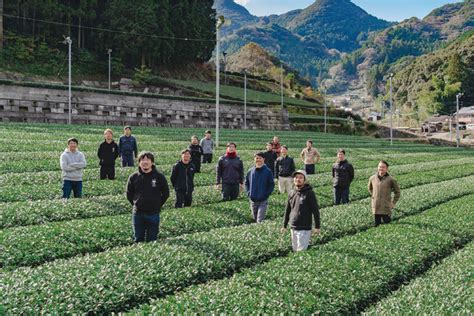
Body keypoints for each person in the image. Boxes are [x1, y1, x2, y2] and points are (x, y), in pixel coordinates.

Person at [126, 151, 169, 242]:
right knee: (138, 239)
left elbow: (166, 193)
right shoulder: (133, 177)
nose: (145, 162)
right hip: (138, 214)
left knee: (152, 240)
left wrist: (157, 204)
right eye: (142, 160)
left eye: (148, 159)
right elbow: (129, 194)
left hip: (153, 213)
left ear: (152, 162)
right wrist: (136, 204)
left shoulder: (159, 177)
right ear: (139, 162)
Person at [281, 170, 320, 251]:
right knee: (295, 251)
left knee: (301, 251)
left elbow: (315, 210)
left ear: (304, 180)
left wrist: (317, 227)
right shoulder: (291, 192)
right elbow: (287, 210)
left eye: (300, 178)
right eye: (296, 177)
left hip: (304, 228)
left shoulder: (309, 193)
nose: (297, 179)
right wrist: (284, 225)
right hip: (293, 226)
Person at [368, 160, 401, 226]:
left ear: (387, 169)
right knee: (377, 224)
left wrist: (393, 202)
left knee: (387, 224)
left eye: (383, 167)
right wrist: (374, 195)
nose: (381, 169)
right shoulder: (372, 178)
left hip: (385, 206)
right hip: (376, 206)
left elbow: (397, 192)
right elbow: (370, 188)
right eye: (380, 167)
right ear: (377, 167)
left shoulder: (391, 179)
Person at [245, 152, 275, 223]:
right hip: (253, 200)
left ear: (264, 159)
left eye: (260, 158)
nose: (258, 160)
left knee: (260, 220)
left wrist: (266, 194)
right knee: (254, 218)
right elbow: (246, 183)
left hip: (263, 200)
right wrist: (249, 193)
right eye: (257, 158)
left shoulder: (268, 171)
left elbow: (271, 184)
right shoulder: (250, 171)